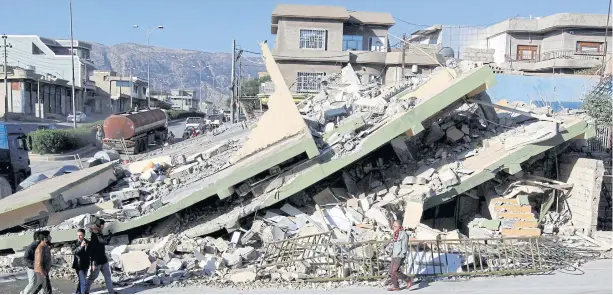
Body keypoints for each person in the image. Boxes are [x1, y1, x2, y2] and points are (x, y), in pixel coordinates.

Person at [86, 219, 117, 294]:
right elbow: (104, 241)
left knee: (108, 276)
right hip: (96, 261)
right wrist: (110, 234)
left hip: (103, 259)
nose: (104, 226)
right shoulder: (95, 234)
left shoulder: (99, 232)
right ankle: (84, 290)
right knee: (93, 277)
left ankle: (111, 292)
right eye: (103, 225)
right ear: (101, 225)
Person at [388, 220, 411, 291]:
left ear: (399, 226)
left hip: (400, 255)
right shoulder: (396, 233)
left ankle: (407, 279)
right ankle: (396, 286)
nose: (393, 227)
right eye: (393, 225)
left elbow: (404, 245)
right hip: (394, 254)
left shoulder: (403, 234)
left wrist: (402, 254)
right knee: (391, 271)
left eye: (395, 226)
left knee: (395, 270)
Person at [72, 229, 90, 294]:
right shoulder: (74, 243)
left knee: (82, 281)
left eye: (80, 235)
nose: (79, 237)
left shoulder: (88, 242)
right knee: (83, 282)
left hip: (86, 264)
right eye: (77, 235)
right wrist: (80, 246)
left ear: (84, 235)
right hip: (79, 265)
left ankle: (78, 292)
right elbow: (74, 252)